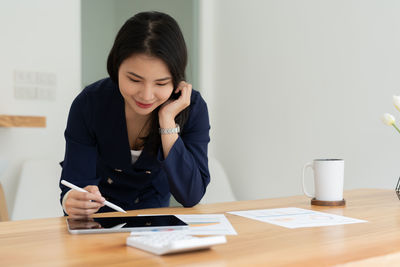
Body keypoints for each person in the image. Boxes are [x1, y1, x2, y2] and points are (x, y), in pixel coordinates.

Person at [59, 11, 210, 218]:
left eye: (161, 83)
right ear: (116, 67)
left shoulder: (192, 108)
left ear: (176, 79)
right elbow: (73, 183)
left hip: (154, 220)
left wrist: (167, 122)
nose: (146, 95)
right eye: (134, 80)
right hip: (98, 220)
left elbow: (191, 194)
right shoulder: (90, 103)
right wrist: (72, 201)